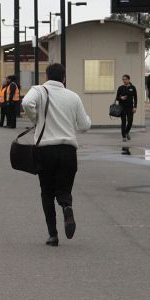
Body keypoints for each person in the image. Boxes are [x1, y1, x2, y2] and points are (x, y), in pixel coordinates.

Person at [22, 63, 91, 247]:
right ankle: (67, 207)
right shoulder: (73, 96)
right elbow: (84, 125)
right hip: (69, 150)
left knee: (47, 192)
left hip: (46, 150)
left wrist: (35, 118)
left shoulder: (39, 90)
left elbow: (26, 103)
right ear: (64, 78)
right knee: (64, 189)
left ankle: (53, 235)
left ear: (46, 76)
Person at [116, 74, 137, 142]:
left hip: (130, 107)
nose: (124, 81)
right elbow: (117, 98)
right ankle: (124, 136)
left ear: (128, 79)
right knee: (124, 122)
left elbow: (136, 98)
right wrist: (121, 98)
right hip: (122, 107)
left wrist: (135, 107)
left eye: (125, 79)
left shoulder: (133, 87)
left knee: (130, 121)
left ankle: (127, 132)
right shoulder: (120, 88)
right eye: (123, 79)